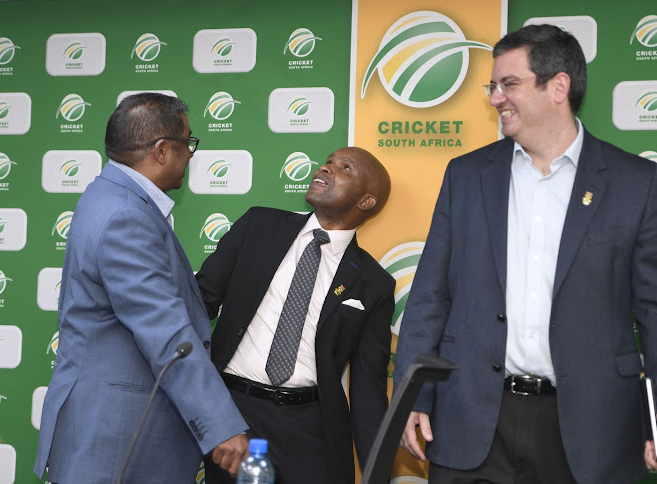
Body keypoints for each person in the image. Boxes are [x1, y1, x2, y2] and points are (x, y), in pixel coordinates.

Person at [394, 24, 657, 484]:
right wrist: (411, 396)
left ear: (558, 86)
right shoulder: (466, 176)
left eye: (509, 84)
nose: (496, 97)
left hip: (589, 431)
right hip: (471, 421)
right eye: (492, 86)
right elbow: (429, 297)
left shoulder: (633, 182)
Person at [34, 93, 249, 484]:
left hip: (111, 422)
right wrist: (220, 423)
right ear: (163, 150)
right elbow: (164, 330)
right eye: (189, 144)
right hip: (116, 433)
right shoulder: (126, 215)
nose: (191, 155)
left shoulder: (110, 194)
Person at [197, 146, 394, 484]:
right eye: (329, 161)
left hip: (311, 428)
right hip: (234, 414)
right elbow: (199, 302)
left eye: (344, 168)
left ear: (366, 201)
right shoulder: (258, 226)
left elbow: (368, 389)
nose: (327, 167)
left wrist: (378, 471)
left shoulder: (374, 283)